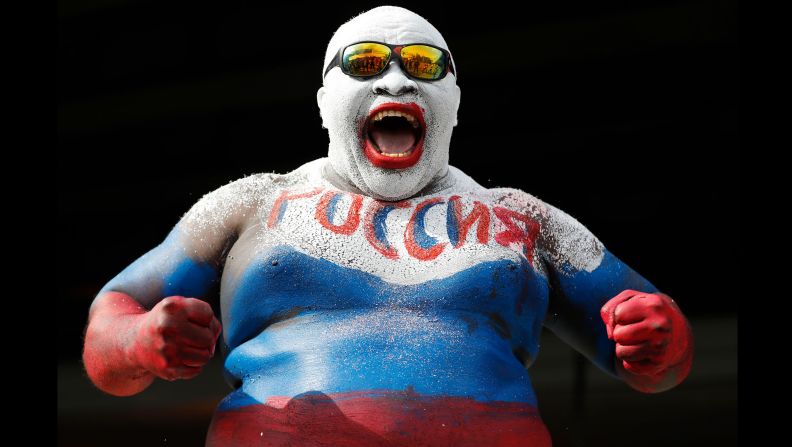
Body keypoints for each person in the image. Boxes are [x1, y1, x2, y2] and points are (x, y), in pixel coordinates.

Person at [82, 6, 693, 446]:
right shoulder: (247, 204)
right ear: (324, 100)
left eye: (424, 65)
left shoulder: (529, 219)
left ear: (453, 98)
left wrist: (661, 339)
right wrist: (138, 342)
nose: (396, 80)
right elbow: (111, 320)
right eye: (367, 62)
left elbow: (660, 360)